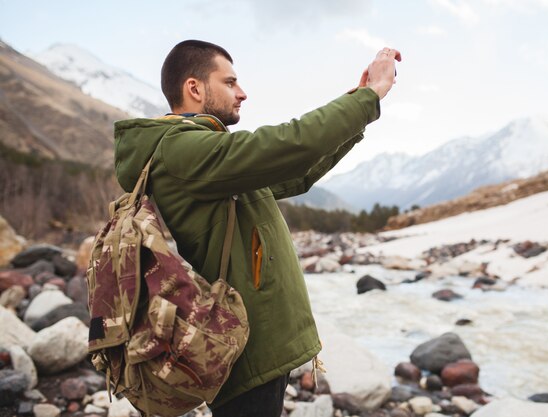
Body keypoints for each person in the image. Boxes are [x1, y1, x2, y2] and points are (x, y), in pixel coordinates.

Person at [113, 40, 400, 417]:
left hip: (249, 338)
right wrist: (370, 97)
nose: (242, 92)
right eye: (230, 82)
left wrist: (359, 99)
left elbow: (295, 169)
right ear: (195, 88)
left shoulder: (205, 152)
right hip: (239, 344)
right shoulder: (181, 151)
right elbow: (285, 145)